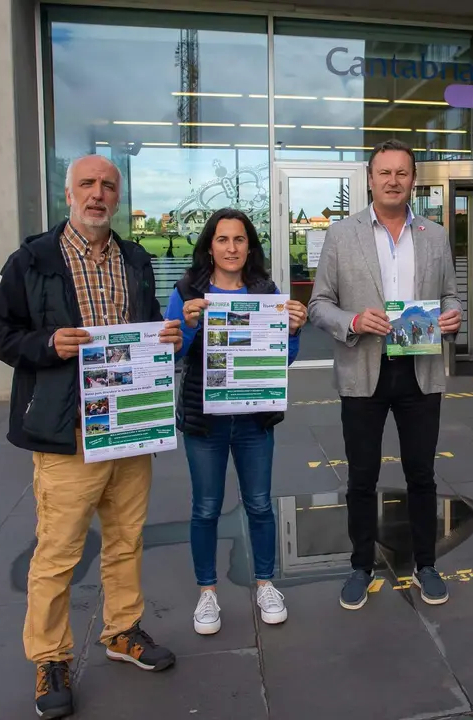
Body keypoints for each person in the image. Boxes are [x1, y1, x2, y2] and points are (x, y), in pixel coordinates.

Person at [0, 154, 183, 719]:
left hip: (129, 427)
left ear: (118, 197)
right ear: (68, 194)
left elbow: (140, 333)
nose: (98, 194)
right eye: (87, 184)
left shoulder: (135, 259)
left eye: (108, 186)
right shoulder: (33, 259)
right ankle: (50, 656)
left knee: (126, 540)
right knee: (59, 552)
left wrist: (161, 339)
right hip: (67, 432)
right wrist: (47, 345)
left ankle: (122, 632)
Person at [308, 139, 463, 611]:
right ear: (370, 179)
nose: (393, 180)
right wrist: (352, 321)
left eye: (402, 173)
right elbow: (319, 305)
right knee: (362, 477)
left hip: (420, 369)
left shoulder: (434, 235)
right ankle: (360, 566)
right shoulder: (342, 235)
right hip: (364, 369)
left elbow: (452, 296)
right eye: (384, 173)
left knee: (422, 474)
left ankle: (426, 563)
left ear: (413, 179)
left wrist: (454, 316)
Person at [163, 208, 305, 633]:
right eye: (222, 239)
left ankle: (265, 583)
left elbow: (284, 359)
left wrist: (294, 332)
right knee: (205, 508)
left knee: (260, 505)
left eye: (239, 239)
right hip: (205, 420)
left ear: (249, 246)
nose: (231, 247)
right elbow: (171, 352)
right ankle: (208, 594)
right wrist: (186, 325)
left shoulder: (266, 291)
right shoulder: (187, 290)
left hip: (253, 420)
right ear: (210, 245)